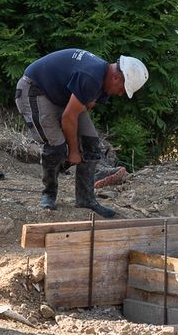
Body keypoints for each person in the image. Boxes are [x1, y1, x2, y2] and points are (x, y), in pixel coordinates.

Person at [15, 48, 148, 217]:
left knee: (91, 143)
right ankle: (48, 194)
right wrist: (73, 152)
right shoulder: (92, 77)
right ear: (116, 77)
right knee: (56, 146)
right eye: (123, 89)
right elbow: (68, 117)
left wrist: (80, 143)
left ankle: (85, 199)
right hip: (35, 90)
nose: (121, 94)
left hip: (60, 97)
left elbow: (83, 107)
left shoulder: (103, 80)